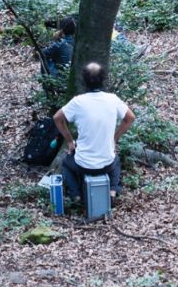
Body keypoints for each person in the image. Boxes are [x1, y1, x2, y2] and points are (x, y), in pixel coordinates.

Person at [53, 63, 135, 201]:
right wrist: (114, 139)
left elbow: (57, 118)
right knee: (115, 160)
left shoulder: (77, 102)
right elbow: (130, 118)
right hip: (106, 164)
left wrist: (69, 141)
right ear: (103, 79)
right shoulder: (113, 99)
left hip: (82, 165)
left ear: (83, 80)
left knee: (66, 163)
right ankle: (112, 190)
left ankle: (76, 195)